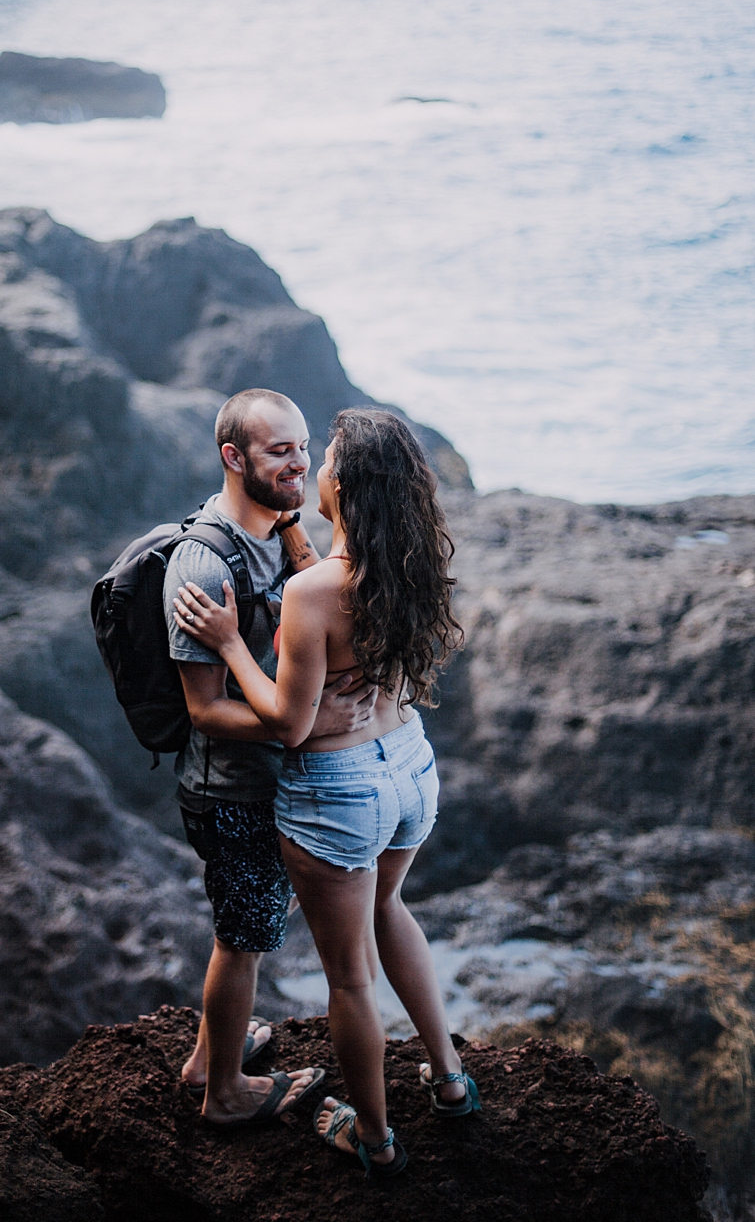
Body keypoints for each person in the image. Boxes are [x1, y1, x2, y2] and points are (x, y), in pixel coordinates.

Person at [174, 407, 476, 1180]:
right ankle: (448, 1080)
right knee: (389, 908)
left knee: (347, 977)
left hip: (340, 789)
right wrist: (301, 546)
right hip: (408, 766)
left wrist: (230, 643)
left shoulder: (312, 592)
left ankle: (372, 1138)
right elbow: (343, 603)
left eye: (326, 458)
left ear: (347, 484)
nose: (315, 468)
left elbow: (287, 724)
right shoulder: (404, 564)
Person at [164, 388, 381, 1127]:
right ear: (234, 458)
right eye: (277, 451)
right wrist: (302, 725)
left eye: (301, 448)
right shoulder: (201, 564)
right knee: (243, 932)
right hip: (226, 787)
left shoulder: (279, 527)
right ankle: (223, 1093)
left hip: (269, 777)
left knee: (248, 926)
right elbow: (204, 710)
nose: (298, 464)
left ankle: (205, 1058)